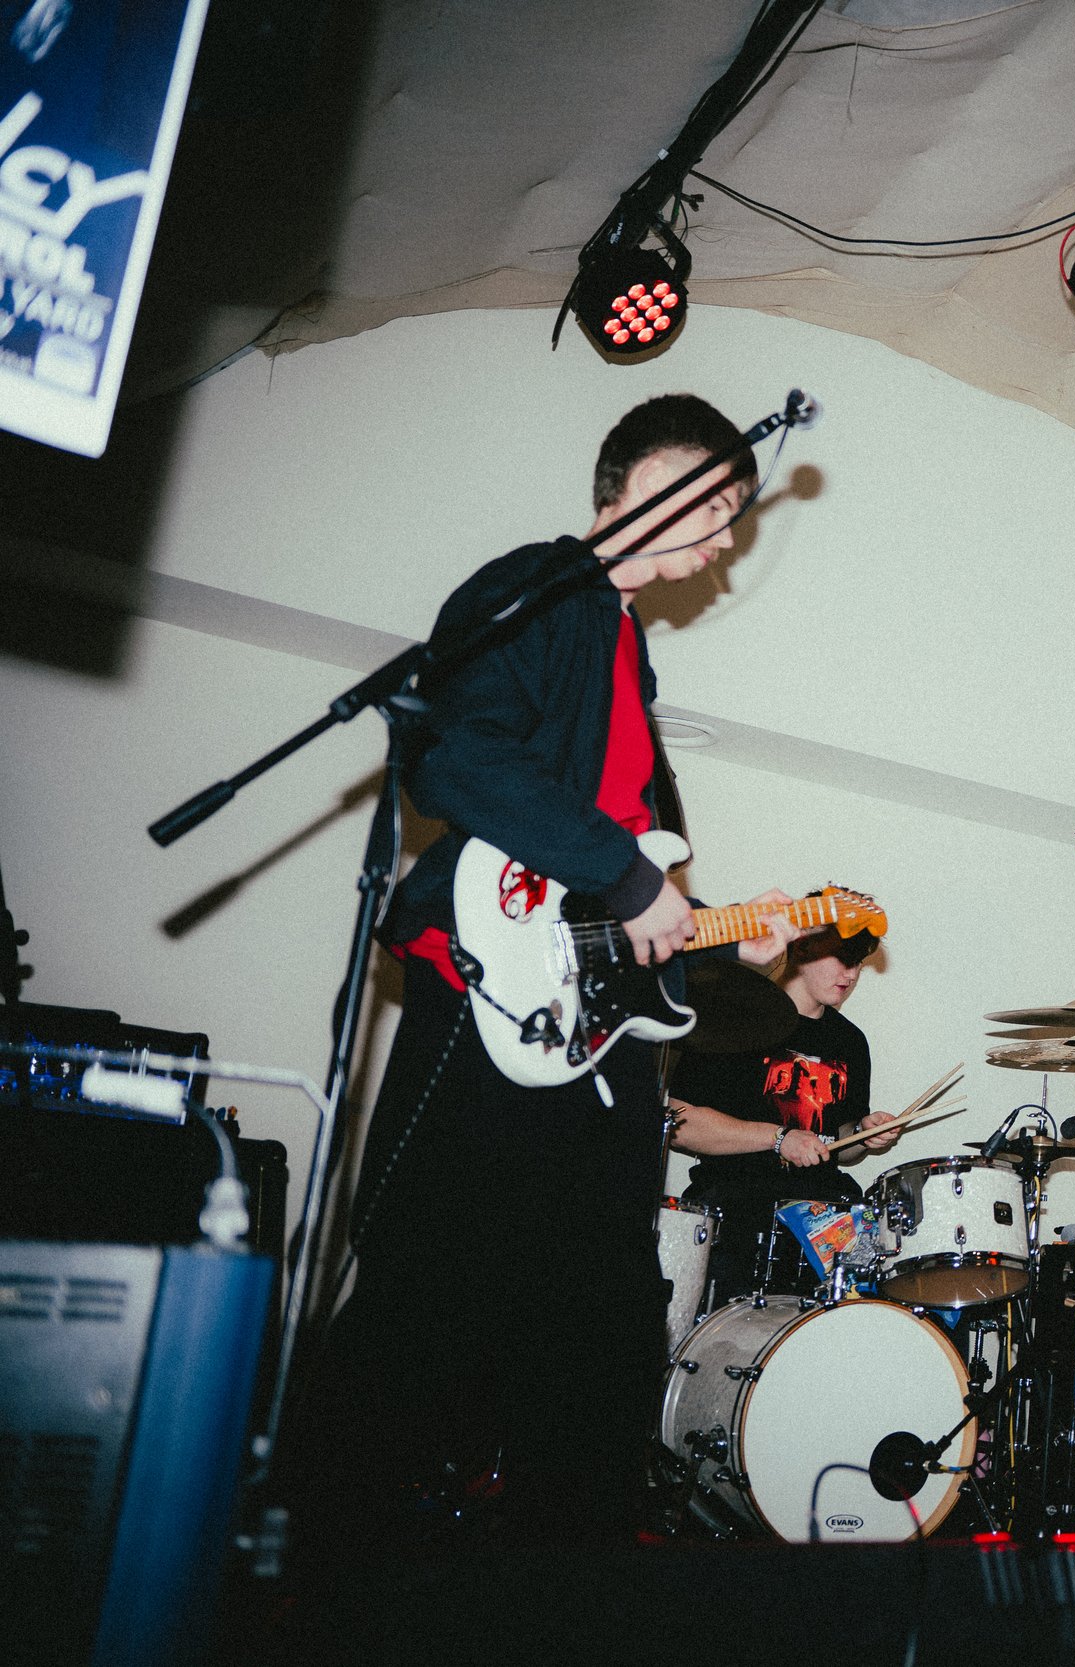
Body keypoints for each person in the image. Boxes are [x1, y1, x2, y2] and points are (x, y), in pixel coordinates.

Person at [290, 394, 802, 1557]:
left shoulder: (629, 654)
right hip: (489, 1011)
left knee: (601, 1331)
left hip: (589, 1043)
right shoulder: (547, 589)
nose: (723, 539)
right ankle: (312, 1576)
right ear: (639, 476)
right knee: (427, 1299)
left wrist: (712, 930)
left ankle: (555, 1592)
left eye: (734, 519)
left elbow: (619, 902)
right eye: (714, 504)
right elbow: (455, 752)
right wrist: (632, 881)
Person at [665, 917, 902, 1297]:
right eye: (844, 959)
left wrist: (863, 1133)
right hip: (740, 1204)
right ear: (802, 947)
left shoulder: (850, 1041)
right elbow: (681, 1122)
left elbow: (841, 1146)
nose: (853, 974)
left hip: (824, 1213)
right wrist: (778, 1139)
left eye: (859, 963)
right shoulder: (732, 1019)